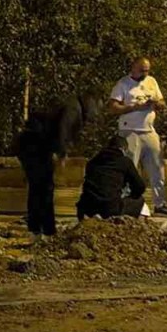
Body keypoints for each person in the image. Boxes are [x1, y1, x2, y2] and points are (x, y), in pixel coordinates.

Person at [14, 94, 99, 236]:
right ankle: (46, 228)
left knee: (38, 187)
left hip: (30, 144)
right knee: (44, 188)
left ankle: (37, 226)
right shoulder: (73, 109)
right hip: (35, 146)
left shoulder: (69, 103)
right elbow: (63, 129)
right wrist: (62, 153)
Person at [108, 58, 167, 215]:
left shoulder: (151, 81)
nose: (145, 73)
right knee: (130, 168)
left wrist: (157, 104)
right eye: (142, 70)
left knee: (157, 168)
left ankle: (160, 204)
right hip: (130, 132)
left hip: (149, 130)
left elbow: (161, 100)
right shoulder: (123, 84)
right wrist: (134, 107)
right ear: (133, 67)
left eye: (147, 70)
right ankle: (127, 204)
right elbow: (113, 107)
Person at [76, 135, 147, 220]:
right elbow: (140, 186)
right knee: (140, 200)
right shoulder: (124, 161)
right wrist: (131, 195)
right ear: (123, 149)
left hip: (87, 208)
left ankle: (93, 216)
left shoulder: (92, 162)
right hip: (111, 208)